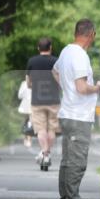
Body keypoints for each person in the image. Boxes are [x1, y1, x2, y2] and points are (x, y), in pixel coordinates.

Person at [53, 19, 100, 199]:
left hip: (68, 113)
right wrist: (97, 88)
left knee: (67, 161)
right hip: (79, 116)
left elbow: (54, 71)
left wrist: (67, 89)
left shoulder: (66, 51)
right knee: (77, 161)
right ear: (91, 34)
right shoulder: (81, 55)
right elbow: (82, 88)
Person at [27, 37, 61, 168]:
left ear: (38, 48)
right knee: (52, 129)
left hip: (37, 100)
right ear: (50, 47)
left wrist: (33, 85)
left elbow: (28, 82)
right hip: (53, 100)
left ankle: (44, 153)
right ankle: (46, 154)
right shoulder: (57, 61)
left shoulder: (32, 61)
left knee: (41, 129)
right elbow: (60, 80)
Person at [17, 78, 34, 148]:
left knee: (29, 121)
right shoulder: (24, 83)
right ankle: (28, 138)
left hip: (29, 105)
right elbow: (19, 96)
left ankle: (27, 138)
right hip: (29, 105)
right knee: (29, 121)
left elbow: (20, 95)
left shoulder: (24, 83)